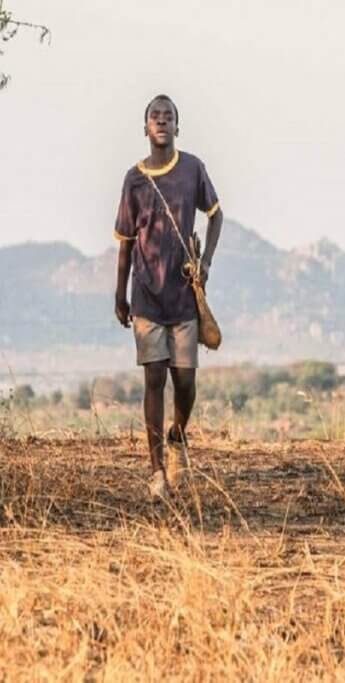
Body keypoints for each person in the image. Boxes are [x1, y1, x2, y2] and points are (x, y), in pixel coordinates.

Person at [113, 94, 223, 501]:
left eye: (168, 116)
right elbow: (125, 243)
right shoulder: (134, 180)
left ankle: (179, 435)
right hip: (145, 294)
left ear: (178, 125)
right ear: (145, 128)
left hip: (183, 295)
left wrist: (206, 262)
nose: (161, 121)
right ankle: (157, 469)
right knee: (154, 378)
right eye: (154, 116)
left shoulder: (192, 169)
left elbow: (216, 215)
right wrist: (120, 295)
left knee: (186, 381)